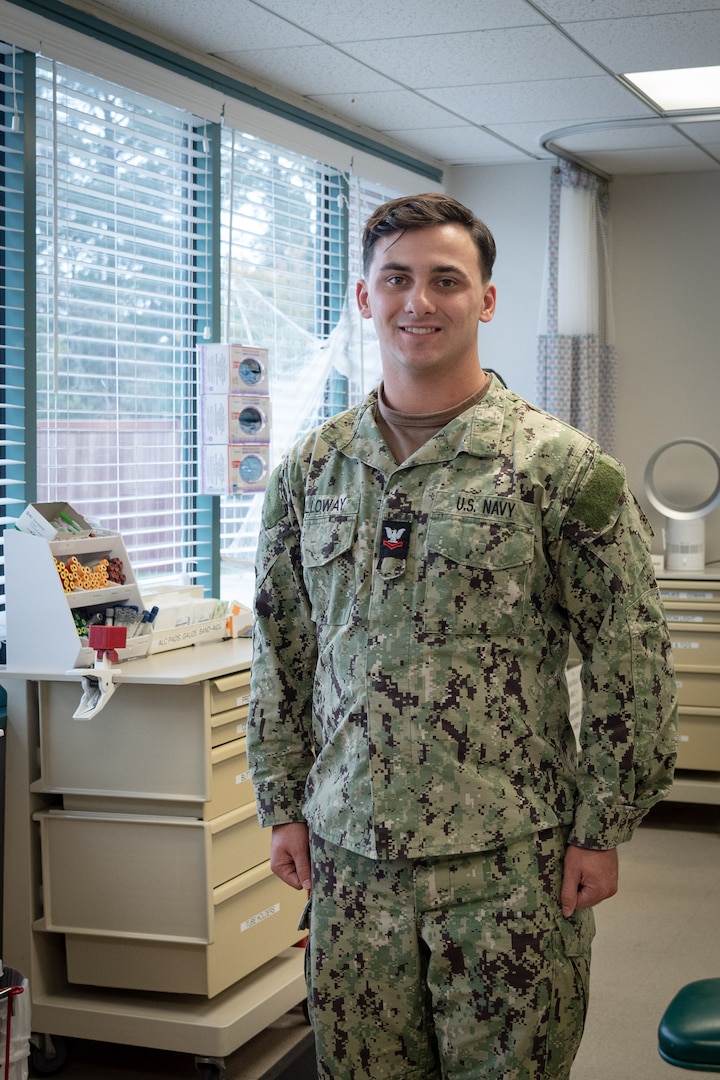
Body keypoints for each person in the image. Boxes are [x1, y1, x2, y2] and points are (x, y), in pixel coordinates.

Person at [247, 192, 677, 1080]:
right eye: (396, 279)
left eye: (447, 280)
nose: (420, 301)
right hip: (351, 862)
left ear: (485, 299)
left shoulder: (561, 469)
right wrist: (282, 800)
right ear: (365, 299)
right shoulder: (309, 472)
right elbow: (283, 647)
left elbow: (629, 654)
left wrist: (604, 824)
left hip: (509, 866)